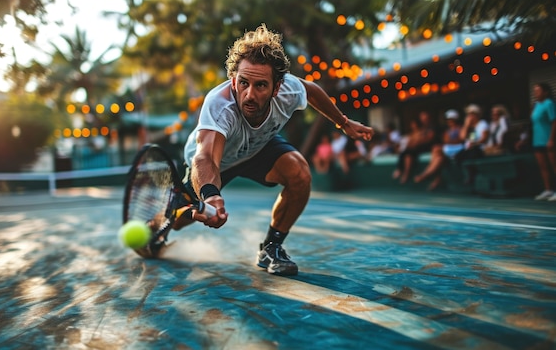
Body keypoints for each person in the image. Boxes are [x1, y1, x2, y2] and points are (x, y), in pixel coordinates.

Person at [178, 24, 374, 276]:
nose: (249, 94)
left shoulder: (289, 90)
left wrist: (344, 123)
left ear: (277, 87)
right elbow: (206, 158)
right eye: (243, 83)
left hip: (258, 148)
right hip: (218, 161)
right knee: (177, 222)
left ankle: (271, 247)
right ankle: (155, 227)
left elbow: (312, 91)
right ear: (233, 81)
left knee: (299, 173)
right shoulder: (219, 105)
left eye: (260, 85)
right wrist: (210, 194)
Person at [414, 109, 464, 191]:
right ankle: (435, 177)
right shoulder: (448, 130)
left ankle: (426, 174)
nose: (449, 121)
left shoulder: (460, 128)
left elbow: (460, 140)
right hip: (449, 150)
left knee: (436, 149)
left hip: (458, 150)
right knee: (439, 158)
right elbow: (446, 140)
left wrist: (449, 142)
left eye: (451, 119)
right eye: (448, 120)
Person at [528, 83, 556, 201]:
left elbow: (554, 121)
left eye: (538, 91)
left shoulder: (549, 104)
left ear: (545, 92)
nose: (535, 93)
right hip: (537, 140)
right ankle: (548, 190)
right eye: (534, 91)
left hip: (548, 139)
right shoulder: (536, 105)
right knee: (543, 166)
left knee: (554, 165)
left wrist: (551, 139)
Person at [392, 111, 437, 184]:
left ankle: (403, 172)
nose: (423, 120)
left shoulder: (432, 127)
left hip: (427, 147)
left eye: (425, 118)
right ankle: (402, 171)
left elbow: (429, 139)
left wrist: (417, 142)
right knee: (407, 154)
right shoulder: (422, 128)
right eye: (422, 118)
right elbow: (412, 140)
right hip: (417, 148)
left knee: (409, 151)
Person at [455, 104, 489, 184]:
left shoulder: (483, 124)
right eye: (468, 114)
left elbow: (484, 139)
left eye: (471, 114)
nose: (469, 116)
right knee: (458, 156)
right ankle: (467, 176)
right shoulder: (469, 126)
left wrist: (474, 144)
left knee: (471, 156)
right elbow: (462, 137)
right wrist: (466, 125)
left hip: (479, 148)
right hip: (469, 149)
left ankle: (472, 176)